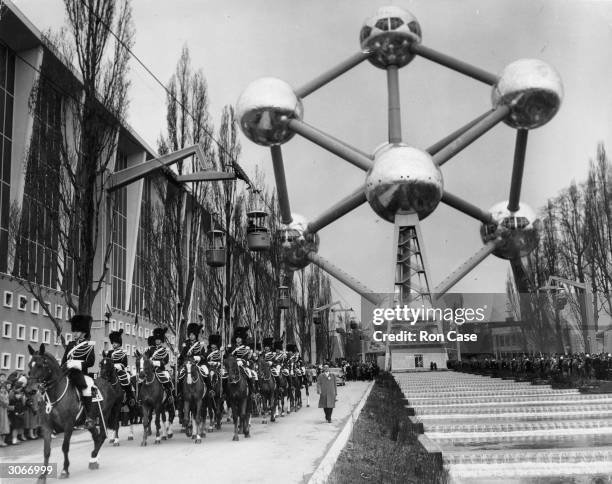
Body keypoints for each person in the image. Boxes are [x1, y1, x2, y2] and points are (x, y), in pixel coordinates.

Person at [60, 314, 96, 428]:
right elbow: (63, 360)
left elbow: (91, 361)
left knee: (87, 387)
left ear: (83, 332)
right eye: (74, 331)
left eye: (77, 331)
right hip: (68, 373)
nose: (74, 334)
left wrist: (78, 364)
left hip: (81, 373)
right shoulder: (70, 344)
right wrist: (65, 365)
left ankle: (88, 417)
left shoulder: (88, 345)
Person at [145, 327, 174, 405]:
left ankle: (169, 396)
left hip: (160, 369)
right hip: (151, 370)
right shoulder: (151, 349)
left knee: (167, 380)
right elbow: (146, 357)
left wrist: (155, 363)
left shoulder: (164, 350)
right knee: (141, 380)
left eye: (159, 339)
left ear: (161, 340)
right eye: (156, 339)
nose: (157, 341)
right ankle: (140, 398)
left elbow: (165, 361)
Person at [107, 329, 136, 405]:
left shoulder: (123, 353)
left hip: (120, 371)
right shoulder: (109, 352)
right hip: (110, 372)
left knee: (127, 380)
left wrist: (117, 366)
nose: (114, 344)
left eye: (115, 342)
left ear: (119, 343)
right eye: (113, 342)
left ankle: (130, 398)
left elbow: (125, 364)